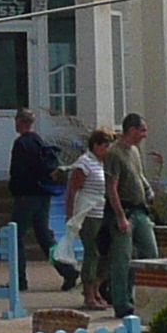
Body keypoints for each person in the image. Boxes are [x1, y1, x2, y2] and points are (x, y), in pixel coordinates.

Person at [103, 115, 161, 316]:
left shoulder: (134, 151)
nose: (145, 135)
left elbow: (139, 175)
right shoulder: (114, 154)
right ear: (132, 130)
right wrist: (119, 216)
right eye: (142, 130)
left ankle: (142, 296)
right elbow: (112, 188)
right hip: (124, 211)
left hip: (140, 209)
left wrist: (147, 191)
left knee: (151, 254)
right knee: (122, 258)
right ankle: (122, 302)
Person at [5, 110, 65, 288]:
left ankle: (19, 279)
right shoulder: (39, 141)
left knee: (16, 237)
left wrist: (13, 189)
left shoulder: (21, 143)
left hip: (26, 196)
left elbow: (17, 172)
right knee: (44, 236)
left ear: (20, 122)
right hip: (43, 194)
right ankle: (67, 270)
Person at [68, 128, 114, 303]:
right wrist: (70, 214)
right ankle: (88, 292)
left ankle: (97, 287)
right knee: (92, 252)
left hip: (102, 212)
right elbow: (73, 189)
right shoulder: (85, 163)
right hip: (88, 214)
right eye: (104, 146)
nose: (107, 150)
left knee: (107, 252)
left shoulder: (103, 164)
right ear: (95, 145)